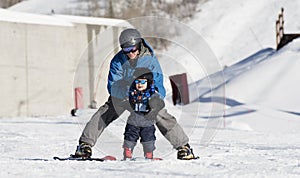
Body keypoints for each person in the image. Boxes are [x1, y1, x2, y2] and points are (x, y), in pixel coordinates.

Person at [74, 28, 196, 160]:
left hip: (146, 97)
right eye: (126, 50)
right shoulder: (117, 61)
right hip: (124, 96)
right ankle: (85, 145)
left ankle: (184, 147)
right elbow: (113, 85)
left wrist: (154, 98)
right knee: (105, 112)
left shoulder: (150, 60)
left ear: (139, 45)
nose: (130, 53)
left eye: (133, 49)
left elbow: (159, 83)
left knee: (161, 114)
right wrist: (127, 93)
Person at [123, 68, 163, 160]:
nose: (139, 84)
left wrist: (155, 108)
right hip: (134, 119)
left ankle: (149, 153)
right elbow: (125, 101)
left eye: (142, 82)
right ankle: (128, 151)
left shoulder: (153, 94)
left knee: (148, 137)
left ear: (148, 83)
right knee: (130, 135)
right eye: (137, 82)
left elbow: (160, 103)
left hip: (147, 120)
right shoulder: (132, 93)